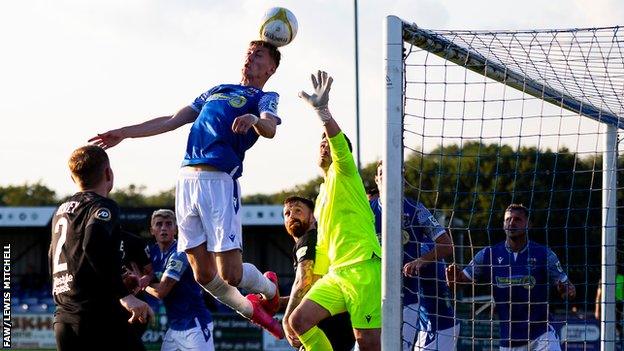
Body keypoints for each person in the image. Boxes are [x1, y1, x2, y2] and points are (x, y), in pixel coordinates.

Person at [89, 40, 283, 337]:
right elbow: (171, 120)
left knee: (230, 274)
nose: (250, 58)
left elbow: (270, 127)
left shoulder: (265, 96)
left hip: (220, 181)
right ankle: (252, 311)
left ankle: (269, 289)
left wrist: (254, 118)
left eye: (258, 55)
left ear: (270, 67)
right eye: (247, 53)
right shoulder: (216, 90)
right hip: (186, 179)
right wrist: (124, 134)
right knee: (203, 274)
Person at [286, 71, 382, 351]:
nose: (324, 146)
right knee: (298, 321)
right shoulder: (323, 191)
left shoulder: (345, 174)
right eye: (322, 143)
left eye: (328, 143)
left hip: (364, 270)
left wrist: (323, 112)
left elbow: (339, 144)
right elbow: (325, 243)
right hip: (336, 275)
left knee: (367, 345)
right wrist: (316, 278)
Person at [50, 145, 153, 351]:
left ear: (73, 178)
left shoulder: (60, 212)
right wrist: (125, 296)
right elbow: (93, 244)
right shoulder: (102, 206)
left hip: (64, 319)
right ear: (108, 173)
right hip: (97, 318)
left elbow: (54, 254)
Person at [446, 204, 576, 350]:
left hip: (541, 335)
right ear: (503, 224)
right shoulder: (487, 255)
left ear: (529, 225)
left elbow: (568, 289)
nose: (511, 223)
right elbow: (458, 284)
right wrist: (452, 281)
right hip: (509, 340)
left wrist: (566, 291)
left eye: (517, 219)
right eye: (508, 219)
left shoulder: (545, 254)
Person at [370, 161, 459, 350]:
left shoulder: (416, 209)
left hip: (408, 299)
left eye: (395, 173)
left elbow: (447, 245)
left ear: (402, 180)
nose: (388, 177)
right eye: (382, 173)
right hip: (370, 296)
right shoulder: (365, 211)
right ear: (377, 179)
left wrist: (421, 260)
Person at [281, 196, 356, 350]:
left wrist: (287, 319)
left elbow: (304, 280)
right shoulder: (317, 240)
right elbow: (314, 285)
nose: (292, 216)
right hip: (339, 324)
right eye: (287, 213)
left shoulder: (309, 239)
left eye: (298, 211)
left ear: (312, 217)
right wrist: (281, 302)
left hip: (329, 327)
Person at [144, 209, 214, 351]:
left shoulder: (180, 253)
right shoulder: (153, 252)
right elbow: (145, 272)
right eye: (159, 224)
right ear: (152, 230)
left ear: (175, 230)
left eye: (169, 224)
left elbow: (161, 291)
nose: (163, 228)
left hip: (194, 325)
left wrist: (142, 284)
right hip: (174, 327)